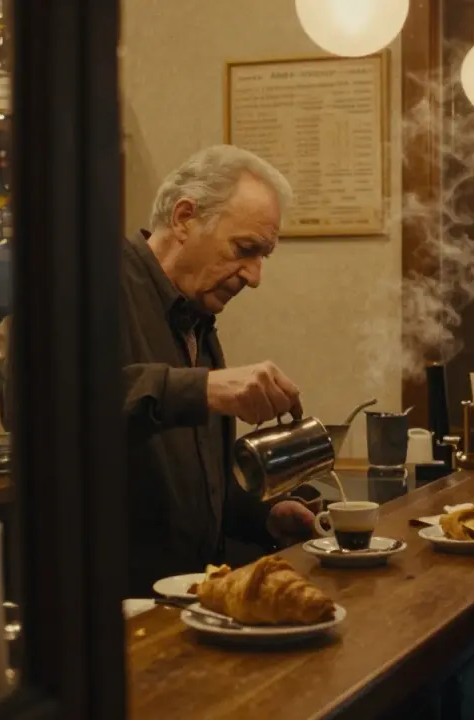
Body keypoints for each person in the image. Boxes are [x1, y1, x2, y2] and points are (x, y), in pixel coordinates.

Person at [120, 145, 316, 596]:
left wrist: (261, 515)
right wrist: (202, 388)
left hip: (188, 607)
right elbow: (44, 399)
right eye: (245, 250)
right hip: (113, 618)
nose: (254, 277)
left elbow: (194, 486)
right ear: (185, 217)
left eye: (263, 256)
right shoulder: (92, 282)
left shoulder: (195, 320)